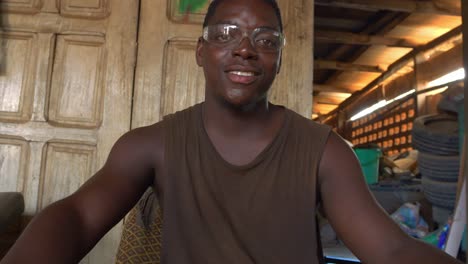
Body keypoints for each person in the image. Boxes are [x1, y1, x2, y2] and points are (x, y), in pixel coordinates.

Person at [1, 0, 463, 263]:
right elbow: (79, 216)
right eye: (226, 33)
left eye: (266, 40)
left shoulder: (323, 151)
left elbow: (390, 250)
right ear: (201, 52)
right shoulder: (153, 146)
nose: (245, 49)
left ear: (279, 58)